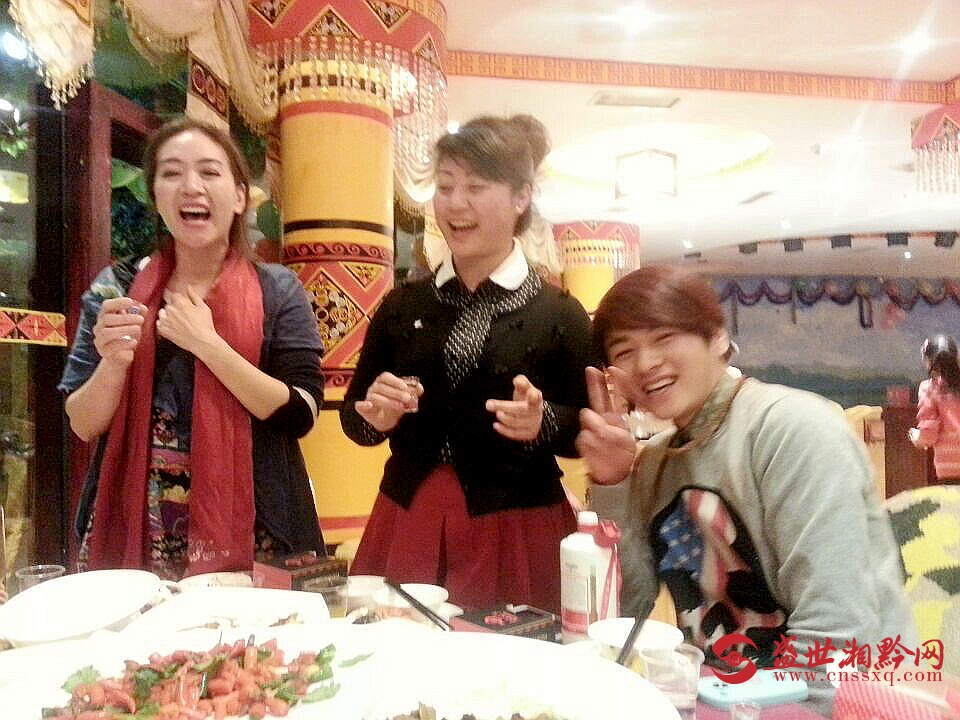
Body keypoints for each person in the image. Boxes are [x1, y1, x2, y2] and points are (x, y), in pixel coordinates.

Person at [578, 265, 913, 714]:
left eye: (664, 338)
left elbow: (837, 629)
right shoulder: (656, 462)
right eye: (624, 351)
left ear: (718, 338)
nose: (645, 363)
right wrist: (614, 482)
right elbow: (629, 610)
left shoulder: (794, 430)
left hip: (852, 701)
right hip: (725, 694)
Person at [340, 115, 594, 611]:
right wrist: (376, 417)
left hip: (517, 523)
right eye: (445, 186)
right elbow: (355, 418)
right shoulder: (403, 305)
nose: (455, 203)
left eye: (476, 187)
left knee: (509, 655)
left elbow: (584, 428)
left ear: (520, 197)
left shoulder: (560, 314)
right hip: (408, 514)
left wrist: (543, 423)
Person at [59, 118, 325, 579]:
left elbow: (301, 413)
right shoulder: (116, 288)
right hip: (140, 522)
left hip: (258, 527)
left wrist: (208, 344)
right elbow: (82, 423)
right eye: (171, 173)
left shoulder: (277, 289)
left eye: (209, 171)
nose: (190, 186)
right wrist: (114, 362)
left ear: (239, 197)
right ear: (155, 195)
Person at [910, 334, 960, 483]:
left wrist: (917, 437)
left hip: (950, 469)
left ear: (929, 361)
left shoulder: (929, 388)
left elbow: (929, 435)